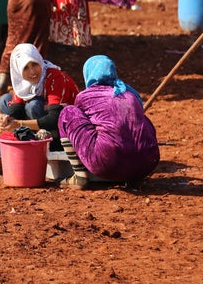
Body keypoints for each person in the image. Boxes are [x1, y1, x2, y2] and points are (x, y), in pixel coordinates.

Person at [56, 55, 160, 190]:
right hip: (147, 163)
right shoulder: (130, 93)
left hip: (107, 163)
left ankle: (79, 176)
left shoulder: (85, 96)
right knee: (141, 120)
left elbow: (81, 125)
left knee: (68, 112)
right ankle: (134, 178)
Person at [0, 43, 79, 151]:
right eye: (25, 68)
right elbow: (17, 109)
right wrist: (7, 119)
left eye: (34, 64)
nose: (32, 72)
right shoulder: (22, 83)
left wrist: (19, 124)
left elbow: (55, 117)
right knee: (5, 100)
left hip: (63, 127)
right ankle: (27, 137)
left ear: (40, 61)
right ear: (18, 70)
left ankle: (49, 142)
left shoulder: (54, 77)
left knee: (33, 105)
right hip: (43, 116)